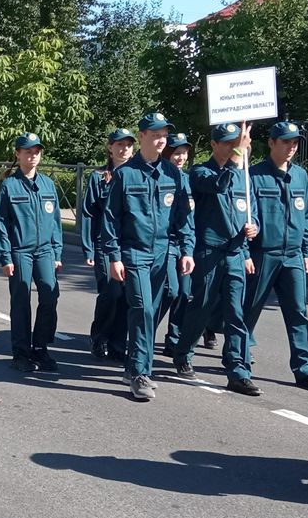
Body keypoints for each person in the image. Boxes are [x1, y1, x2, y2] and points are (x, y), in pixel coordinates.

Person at [101, 113, 194, 401]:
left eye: (164, 134)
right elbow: (110, 219)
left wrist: (186, 249)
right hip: (134, 252)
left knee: (151, 309)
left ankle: (133, 364)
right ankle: (142, 373)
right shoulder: (125, 174)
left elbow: (182, 218)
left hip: (163, 252)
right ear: (142, 136)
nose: (161, 139)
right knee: (142, 309)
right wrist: (114, 256)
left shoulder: (173, 174)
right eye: (155, 134)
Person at [172, 123, 260, 395]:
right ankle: (183, 352)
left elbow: (251, 210)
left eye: (236, 142)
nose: (233, 147)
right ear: (214, 144)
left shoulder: (244, 177)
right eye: (226, 143)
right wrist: (238, 156)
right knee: (202, 306)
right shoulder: (199, 172)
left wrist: (253, 228)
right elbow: (219, 185)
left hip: (234, 252)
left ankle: (237, 370)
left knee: (235, 313)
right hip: (208, 252)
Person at [244, 120, 308, 390]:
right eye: (286, 142)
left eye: (295, 143)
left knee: (298, 313)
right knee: (249, 309)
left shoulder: (301, 176)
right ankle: (240, 360)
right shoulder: (254, 174)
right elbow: (248, 215)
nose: (291, 147)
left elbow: (307, 216)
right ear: (271, 143)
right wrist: (247, 249)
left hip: (292, 255)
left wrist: (306, 250)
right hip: (263, 254)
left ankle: (306, 369)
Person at [0, 133, 63, 373]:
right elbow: (0, 224)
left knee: (50, 297)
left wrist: (57, 253)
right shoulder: (10, 185)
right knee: (21, 302)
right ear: (18, 154)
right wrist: (5, 257)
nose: (33, 155)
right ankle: (21, 353)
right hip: (20, 251)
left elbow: (55, 222)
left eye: (36, 151)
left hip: (45, 252)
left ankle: (40, 348)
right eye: (28, 151)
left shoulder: (48, 184)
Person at [81, 127, 135, 361]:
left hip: (132, 245)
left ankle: (117, 344)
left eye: (128, 145)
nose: (123, 149)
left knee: (126, 295)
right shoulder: (99, 177)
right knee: (111, 292)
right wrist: (88, 247)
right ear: (110, 148)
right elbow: (88, 213)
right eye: (119, 144)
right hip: (105, 245)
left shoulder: (137, 175)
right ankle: (100, 336)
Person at [158, 131, 193, 356]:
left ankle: (175, 338)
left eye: (183, 153)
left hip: (186, 242)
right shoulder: (162, 176)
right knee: (171, 290)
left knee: (185, 292)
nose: (179, 157)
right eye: (175, 153)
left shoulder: (189, 179)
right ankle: (145, 329)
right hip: (166, 242)